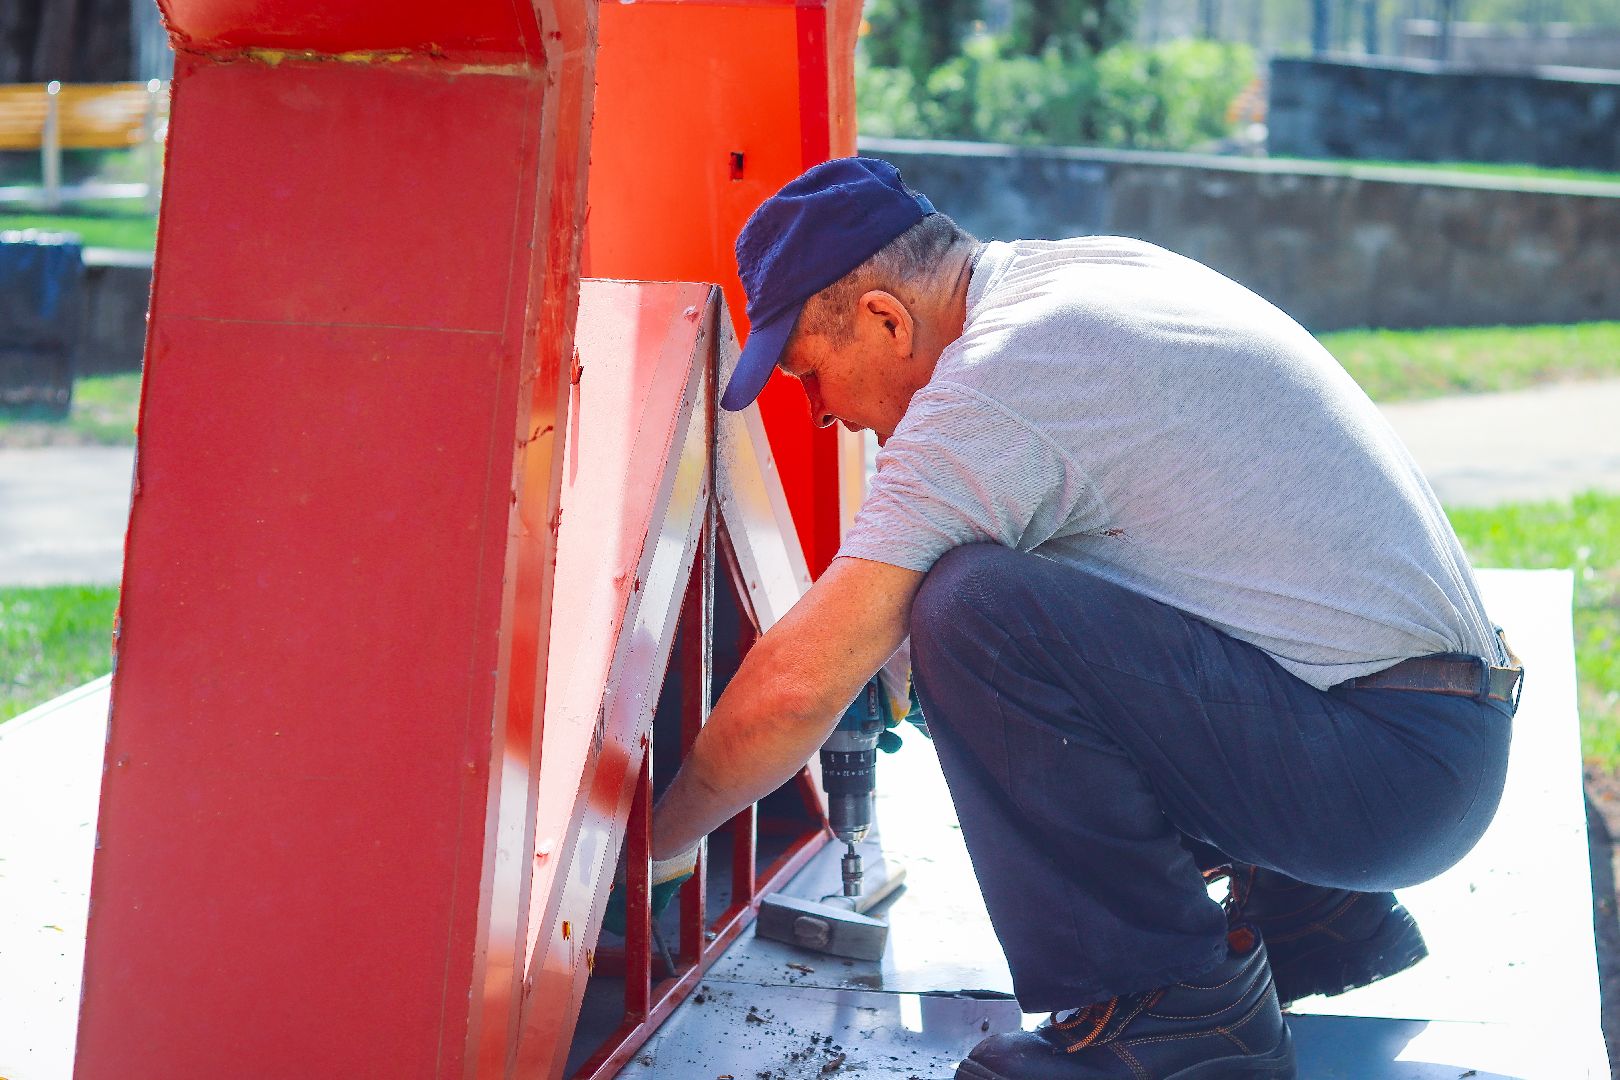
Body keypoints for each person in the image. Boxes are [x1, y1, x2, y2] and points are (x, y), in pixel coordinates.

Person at [641, 156, 1521, 1080]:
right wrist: (896, 673)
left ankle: (1169, 1016)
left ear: (886, 319)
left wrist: (657, 846)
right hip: (1421, 740)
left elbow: (796, 688)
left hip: (1385, 775)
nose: (819, 414)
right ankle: (1306, 907)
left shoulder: (997, 380)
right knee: (977, 602)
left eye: (810, 375)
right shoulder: (1077, 282)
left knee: (973, 609)